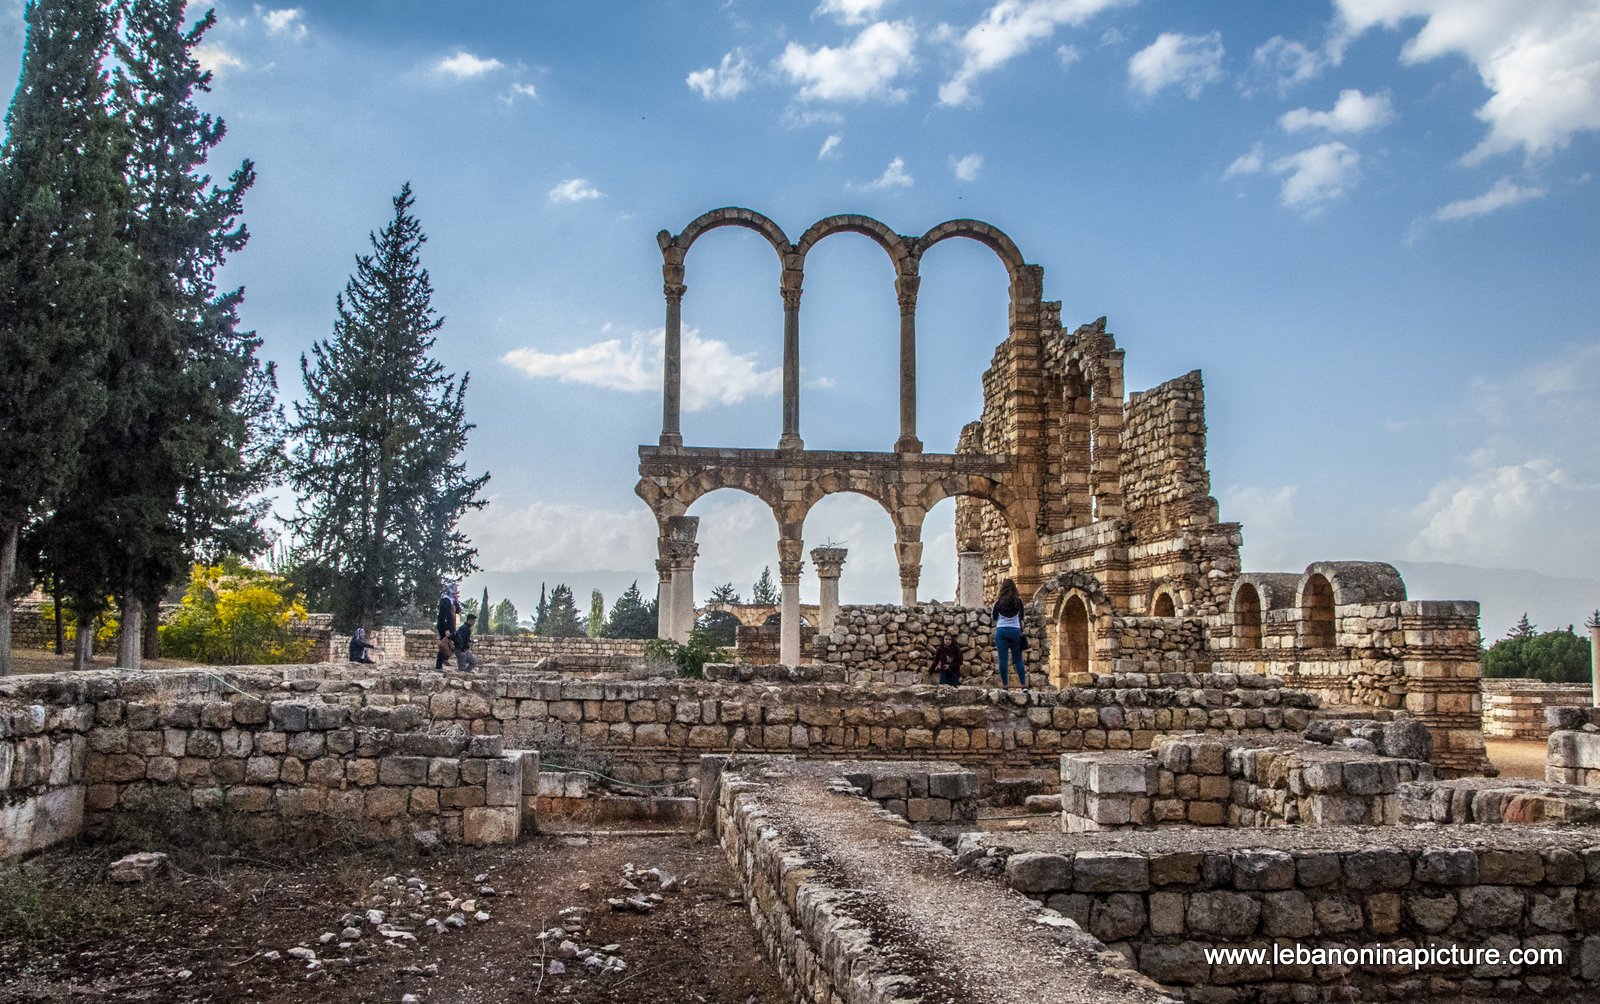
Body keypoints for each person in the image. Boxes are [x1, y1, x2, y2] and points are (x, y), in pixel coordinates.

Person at [992, 578, 1028, 690]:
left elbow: (994, 617)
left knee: (1003, 659)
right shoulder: (1018, 601)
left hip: (1001, 631)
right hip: (1015, 631)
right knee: (1018, 659)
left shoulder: (998, 602)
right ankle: (1023, 685)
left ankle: (1005, 685)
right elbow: (1021, 617)